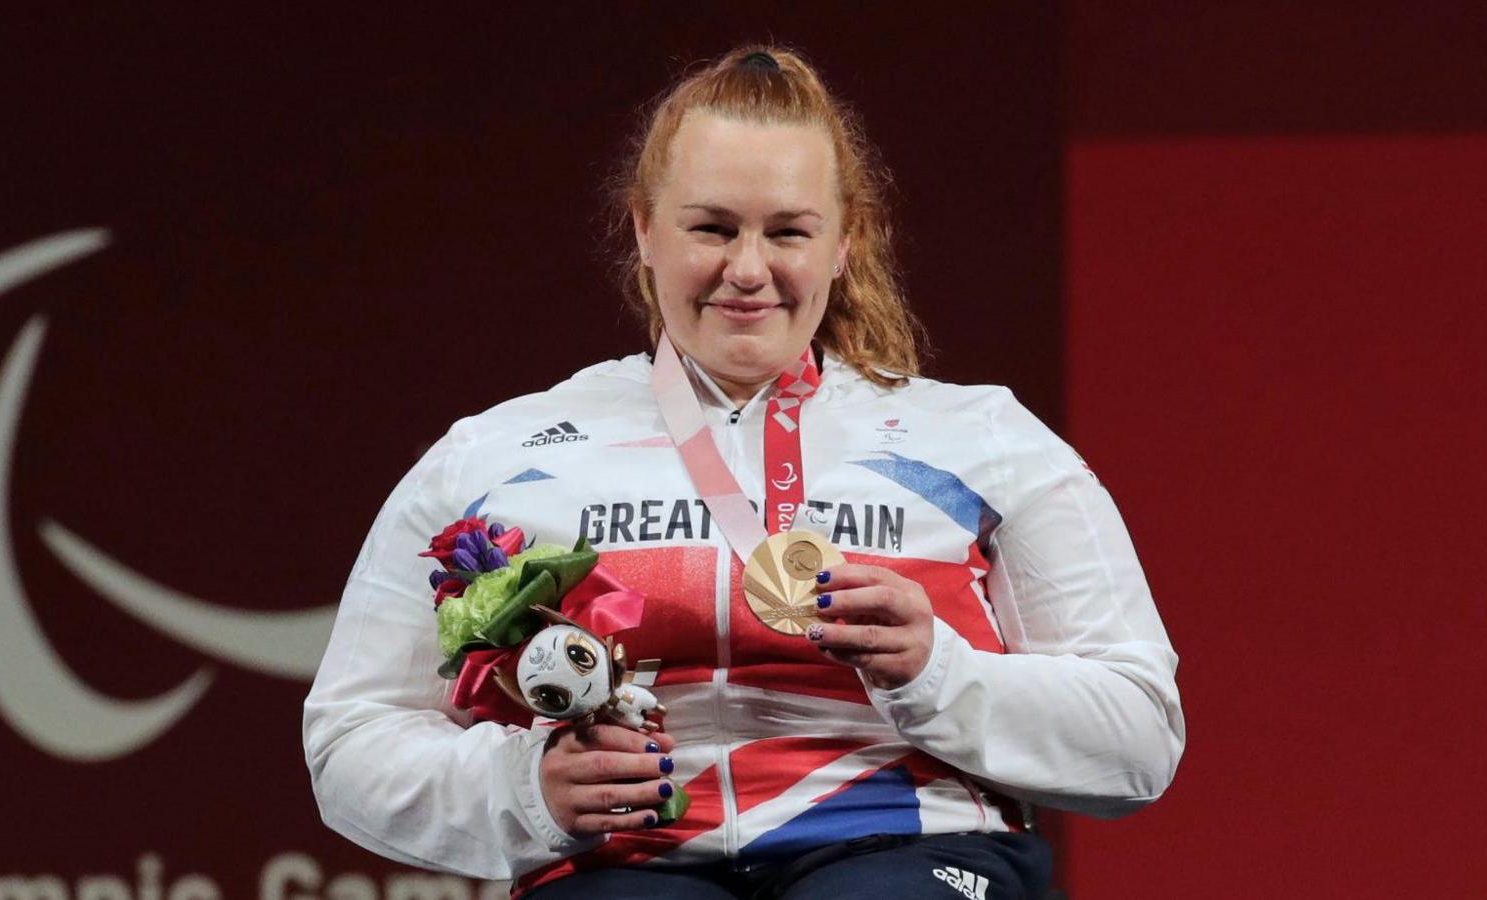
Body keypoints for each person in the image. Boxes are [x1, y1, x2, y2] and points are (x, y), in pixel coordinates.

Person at [303, 46, 1184, 900]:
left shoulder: (982, 439)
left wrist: (938, 673)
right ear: (645, 229)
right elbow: (353, 739)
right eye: (712, 228)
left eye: (788, 232)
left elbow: (1139, 737)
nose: (748, 270)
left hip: (909, 844)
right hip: (623, 865)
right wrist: (523, 786)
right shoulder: (500, 456)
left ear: (846, 241)